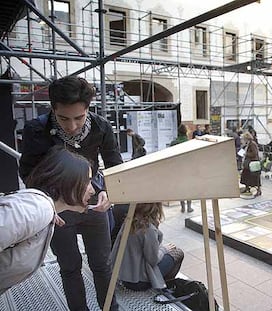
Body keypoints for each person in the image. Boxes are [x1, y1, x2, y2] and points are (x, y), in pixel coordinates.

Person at [19, 76, 122, 311]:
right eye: (64, 118)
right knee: (69, 266)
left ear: (88, 109)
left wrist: (108, 190)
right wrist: (44, 206)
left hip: (93, 201)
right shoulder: (36, 129)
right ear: (53, 108)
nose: (72, 126)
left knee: (102, 264)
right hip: (58, 208)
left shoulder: (101, 126)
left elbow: (115, 165)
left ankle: (110, 309)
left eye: (79, 117)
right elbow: (27, 173)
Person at [1, 146, 95, 295]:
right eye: (88, 181)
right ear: (68, 180)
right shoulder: (39, 208)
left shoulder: (43, 210)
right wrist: (43, 211)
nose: (92, 190)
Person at [111, 202, 184, 291]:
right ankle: (163, 286)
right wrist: (164, 249)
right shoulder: (148, 228)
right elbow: (153, 260)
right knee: (178, 253)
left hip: (121, 275)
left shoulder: (130, 219)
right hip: (138, 282)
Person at [171, 124, 193, 213]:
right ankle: (189, 207)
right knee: (188, 188)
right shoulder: (189, 143)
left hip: (177, 168)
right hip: (188, 169)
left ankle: (182, 207)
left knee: (181, 188)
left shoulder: (174, 143)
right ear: (186, 132)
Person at [240, 132, 261, 197]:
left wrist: (246, 154)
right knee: (246, 176)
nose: (243, 140)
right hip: (248, 164)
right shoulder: (248, 144)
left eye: (243, 139)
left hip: (253, 163)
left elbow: (254, 153)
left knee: (255, 177)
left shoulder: (252, 144)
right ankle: (247, 188)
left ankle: (258, 190)